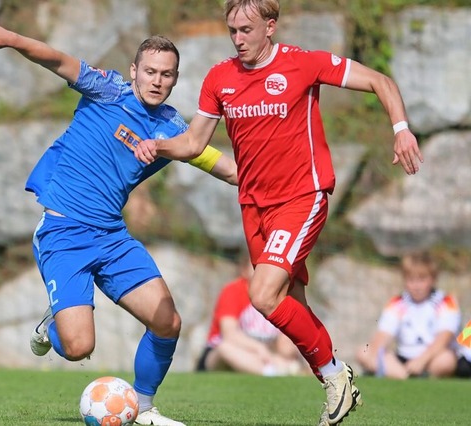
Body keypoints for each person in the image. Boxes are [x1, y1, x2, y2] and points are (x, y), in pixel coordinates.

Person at [134, 0, 424, 424]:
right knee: (290, 303)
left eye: (246, 29)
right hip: (254, 204)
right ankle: (336, 384)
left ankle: (336, 375)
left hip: (302, 196)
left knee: (262, 294)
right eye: (232, 30)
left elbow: (380, 80)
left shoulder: (303, 64)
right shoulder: (220, 77)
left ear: (270, 26)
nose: (238, 38)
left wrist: (400, 130)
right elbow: (194, 143)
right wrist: (156, 146)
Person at [0, 22, 237, 426]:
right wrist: (9, 39)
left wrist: (279, 180)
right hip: (63, 233)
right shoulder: (107, 88)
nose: (157, 80)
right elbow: (57, 60)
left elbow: (223, 167)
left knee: (167, 322)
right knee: (78, 347)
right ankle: (55, 323)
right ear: (134, 70)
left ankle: (145, 408)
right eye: (150, 71)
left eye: (166, 74)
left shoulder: (174, 130)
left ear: (175, 80)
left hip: (112, 237)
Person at [356, 252, 461, 379]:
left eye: (422, 280)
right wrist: (373, 354)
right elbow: (383, 334)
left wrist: (421, 361)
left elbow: (444, 337)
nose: (416, 286)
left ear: (433, 279)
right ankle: (405, 376)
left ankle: (413, 374)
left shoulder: (446, 301)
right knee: (363, 352)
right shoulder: (397, 302)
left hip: (431, 358)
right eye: (411, 280)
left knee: (447, 360)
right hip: (402, 359)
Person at [197, 255, 305, 376]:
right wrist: (259, 348)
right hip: (222, 354)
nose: (263, 271)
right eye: (256, 266)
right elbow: (230, 334)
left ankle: (277, 369)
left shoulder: (282, 295)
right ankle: (271, 372)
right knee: (225, 348)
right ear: (244, 270)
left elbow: (287, 346)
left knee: (290, 356)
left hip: (264, 356)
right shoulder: (233, 291)